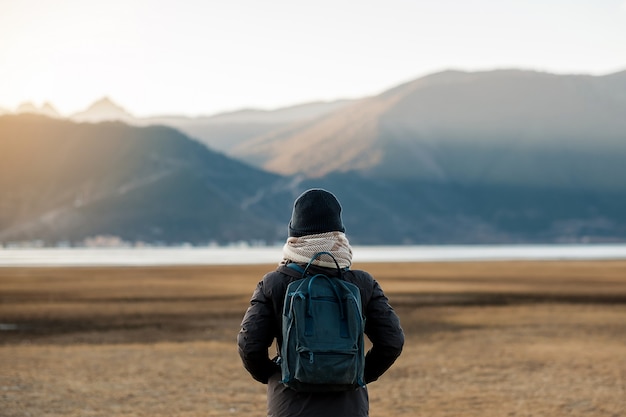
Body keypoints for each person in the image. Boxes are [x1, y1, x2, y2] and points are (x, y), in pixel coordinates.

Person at [238, 188, 404, 417]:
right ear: (339, 232)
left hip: (289, 405)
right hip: (349, 406)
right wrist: (357, 375)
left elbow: (249, 346)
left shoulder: (274, 283)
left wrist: (276, 374)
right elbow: (392, 342)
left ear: (295, 233)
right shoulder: (362, 283)